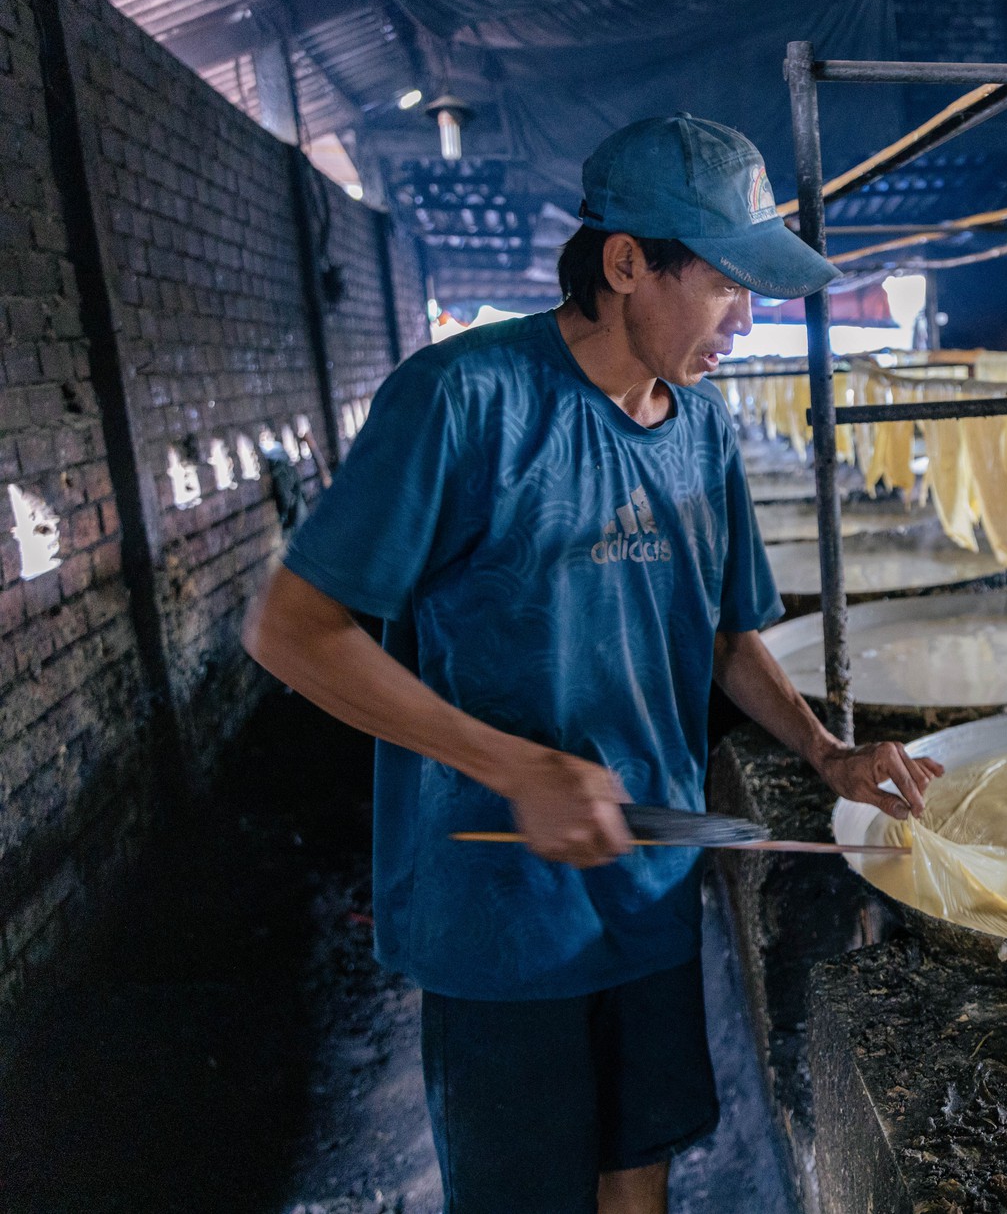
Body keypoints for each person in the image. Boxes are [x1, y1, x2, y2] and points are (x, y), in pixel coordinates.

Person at [243, 114, 942, 1214]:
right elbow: (291, 629)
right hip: (502, 905)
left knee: (640, 1164)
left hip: (648, 882)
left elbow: (722, 634)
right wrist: (512, 766)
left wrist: (827, 754)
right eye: (723, 286)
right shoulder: (463, 400)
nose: (744, 321)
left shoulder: (702, 429)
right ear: (625, 263)